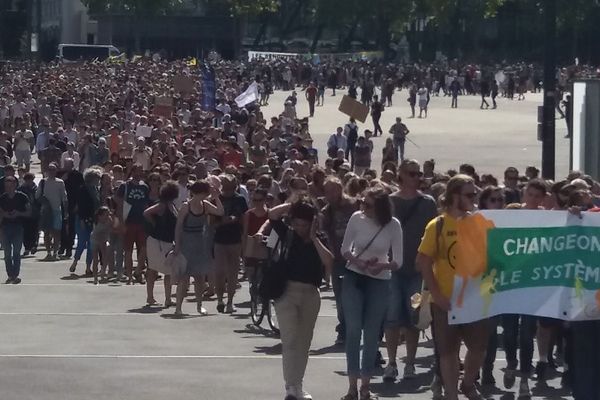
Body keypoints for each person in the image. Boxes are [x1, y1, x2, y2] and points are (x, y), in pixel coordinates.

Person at [416, 174, 490, 400]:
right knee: (448, 351)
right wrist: (436, 294)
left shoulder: (480, 222)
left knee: (478, 349)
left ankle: (468, 383)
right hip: (446, 299)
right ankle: (450, 393)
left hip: (476, 298)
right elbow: (423, 262)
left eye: (475, 194)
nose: (474, 198)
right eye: (469, 194)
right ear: (454, 196)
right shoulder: (437, 225)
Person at [340, 187, 403, 400]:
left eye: (368, 205)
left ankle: (366, 385)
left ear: (380, 207)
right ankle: (351, 386)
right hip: (354, 276)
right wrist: (359, 261)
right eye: (362, 203)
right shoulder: (357, 218)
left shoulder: (393, 225)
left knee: (372, 333)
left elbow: (398, 261)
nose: (362, 207)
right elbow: (345, 249)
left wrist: (381, 266)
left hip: (379, 281)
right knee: (353, 329)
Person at [267, 197, 334, 400]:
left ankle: (298, 384)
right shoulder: (287, 233)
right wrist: (293, 206)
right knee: (290, 341)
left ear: (312, 222)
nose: (299, 228)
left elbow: (329, 260)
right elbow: (272, 214)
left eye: (303, 225)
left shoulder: (319, 237)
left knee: (304, 343)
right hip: (286, 291)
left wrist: (313, 237)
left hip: (310, 293)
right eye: (296, 223)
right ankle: (290, 387)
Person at [383, 160, 437, 382]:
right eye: (412, 173)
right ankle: (392, 362)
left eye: (418, 174)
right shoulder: (390, 201)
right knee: (392, 316)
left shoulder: (427, 203)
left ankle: (411, 363)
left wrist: (427, 261)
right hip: (393, 268)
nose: (417, 177)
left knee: (414, 317)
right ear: (401, 175)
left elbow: (434, 235)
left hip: (417, 269)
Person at [173, 180, 224, 316]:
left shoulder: (205, 205)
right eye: (204, 192)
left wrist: (216, 197)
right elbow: (178, 227)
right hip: (187, 242)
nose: (205, 195)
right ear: (197, 192)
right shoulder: (186, 206)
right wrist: (177, 244)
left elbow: (220, 212)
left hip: (201, 243)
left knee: (200, 277)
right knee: (184, 278)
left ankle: (199, 306)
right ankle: (178, 307)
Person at [321, 177, 360, 345]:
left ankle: (357, 327)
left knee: (358, 296)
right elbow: (324, 233)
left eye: (332, 190)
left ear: (340, 189)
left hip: (359, 258)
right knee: (341, 297)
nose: (329, 195)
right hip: (338, 259)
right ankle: (343, 328)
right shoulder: (326, 211)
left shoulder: (355, 205)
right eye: (326, 191)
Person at [213, 174, 248, 313]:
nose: (228, 190)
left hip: (235, 238)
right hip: (219, 238)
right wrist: (222, 221)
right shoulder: (217, 199)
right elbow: (211, 221)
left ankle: (230, 301)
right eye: (225, 187)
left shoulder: (240, 199)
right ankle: (220, 298)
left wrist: (243, 234)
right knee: (219, 271)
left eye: (231, 187)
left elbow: (244, 218)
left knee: (233, 272)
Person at [144, 180, 179, 307]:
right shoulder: (162, 205)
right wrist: (154, 224)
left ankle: (168, 298)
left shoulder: (172, 205)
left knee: (168, 271)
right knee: (153, 270)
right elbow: (147, 213)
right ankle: (150, 297)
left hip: (168, 241)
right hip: (156, 241)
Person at [116, 164, 150, 284]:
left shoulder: (144, 187)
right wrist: (121, 222)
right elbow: (119, 205)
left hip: (141, 222)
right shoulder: (125, 186)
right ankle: (129, 275)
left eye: (141, 171)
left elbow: (146, 205)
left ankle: (138, 271)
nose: (140, 173)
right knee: (128, 250)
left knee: (144, 248)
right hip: (128, 221)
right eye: (138, 171)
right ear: (133, 171)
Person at [70, 168, 102, 275]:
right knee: (82, 242)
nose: (98, 180)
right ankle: (75, 261)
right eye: (97, 178)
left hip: (94, 220)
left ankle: (88, 267)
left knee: (91, 245)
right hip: (82, 219)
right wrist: (83, 220)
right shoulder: (82, 189)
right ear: (91, 178)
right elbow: (81, 206)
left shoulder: (96, 190)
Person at [0, 175, 30, 284]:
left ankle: (15, 274)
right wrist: (4, 215)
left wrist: (18, 213)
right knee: (7, 253)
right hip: (4, 228)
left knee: (16, 253)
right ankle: (10, 275)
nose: (8, 188)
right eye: (6, 186)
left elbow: (29, 212)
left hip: (18, 227)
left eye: (11, 185)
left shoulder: (22, 197)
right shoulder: (2, 198)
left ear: (15, 185)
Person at [36, 162, 68, 261]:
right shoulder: (43, 182)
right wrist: (44, 201)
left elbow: (64, 198)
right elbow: (37, 196)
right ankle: (48, 252)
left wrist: (66, 211)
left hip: (56, 210)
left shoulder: (60, 182)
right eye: (49, 169)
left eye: (53, 169)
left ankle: (55, 252)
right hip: (46, 211)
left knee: (56, 232)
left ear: (56, 171)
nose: (51, 171)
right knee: (46, 232)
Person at [90, 207, 114, 284]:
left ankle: (103, 272)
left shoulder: (109, 220)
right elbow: (97, 234)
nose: (107, 216)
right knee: (95, 259)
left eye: (108, 214)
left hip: (104, 239)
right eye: (105, 214)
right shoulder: (96, 222)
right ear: (100, 216)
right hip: (95, 240)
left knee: (105, 255)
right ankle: (95, 277)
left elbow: (111, 229)